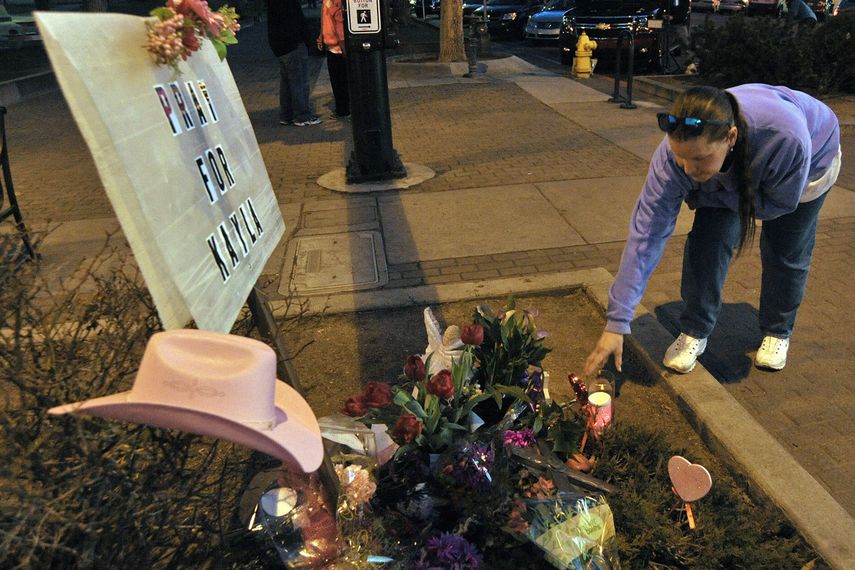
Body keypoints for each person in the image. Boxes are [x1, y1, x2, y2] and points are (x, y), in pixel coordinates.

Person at [584, 84, 840, 377]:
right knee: (707, 243)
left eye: (699, 159)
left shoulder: (785, 138)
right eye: (681, 157)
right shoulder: (674, 158)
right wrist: (618, 321)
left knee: (786, 249)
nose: (689, 169)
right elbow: (646, 234)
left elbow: (778, 205)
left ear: (730, 137)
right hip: (733, 172)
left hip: (812, 161)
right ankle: (695, 329)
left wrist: (710, 195)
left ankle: (778, 329)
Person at [267, 0, 321, 127]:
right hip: (293, 44)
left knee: (286, 83)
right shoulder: (288, 4)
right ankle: (302, 116)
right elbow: (296, 21)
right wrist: (305, 40)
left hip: (280, 45)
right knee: (300, 82)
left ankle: (286, 115)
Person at [317, 0, 350, 119]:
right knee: (339, 81)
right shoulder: (329, 1)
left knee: (339, 82)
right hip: (333, 46)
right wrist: (321, 37)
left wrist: (343, 48)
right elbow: (327, 22)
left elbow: (339, 26)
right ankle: (343, 109)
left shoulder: (334, 2)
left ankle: (343, 110)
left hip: (337, 48)